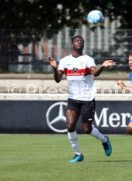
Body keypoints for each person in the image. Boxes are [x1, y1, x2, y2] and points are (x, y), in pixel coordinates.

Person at [48, 35, 115, 163]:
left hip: (87, 99)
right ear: (72, 44)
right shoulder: (64, 61)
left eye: (82, 41)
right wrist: (55, 68)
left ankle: (104, 140)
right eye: (77, 41)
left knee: (87, 129)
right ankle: (78, 154)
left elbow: (95, 73)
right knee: (70, 125)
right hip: (73, 99)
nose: (80, 42)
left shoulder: (87, 59)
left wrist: (102, 66)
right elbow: (57, 79)